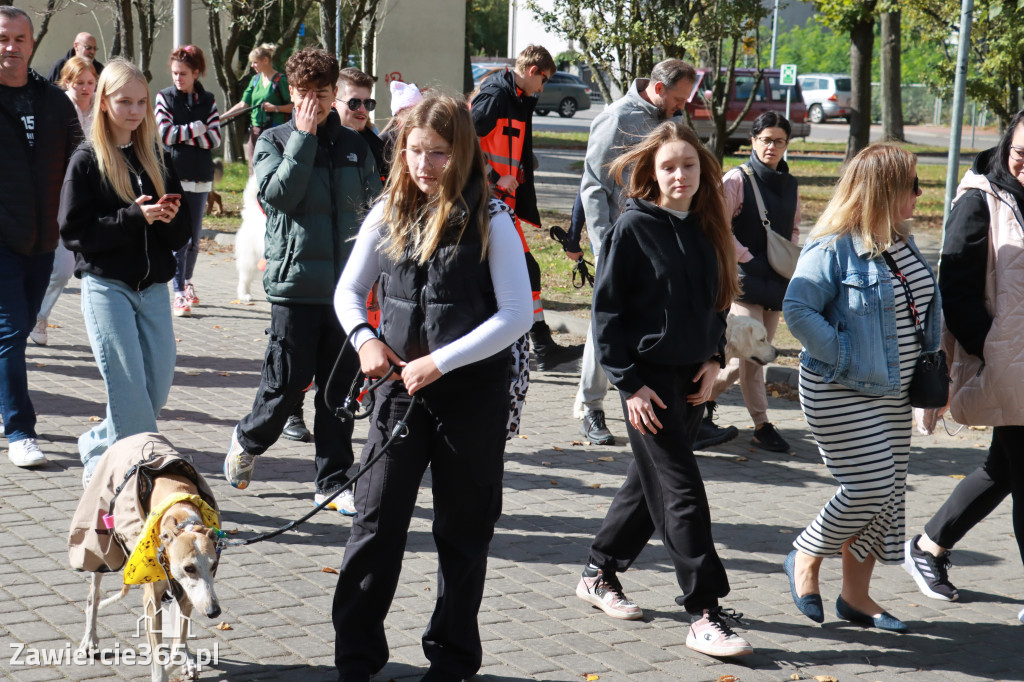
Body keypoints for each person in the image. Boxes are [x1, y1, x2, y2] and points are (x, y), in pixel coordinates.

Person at [332, 94, 532, 682]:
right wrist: (367, 341)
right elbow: (348, 292)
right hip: (396, 394)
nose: (425, 165)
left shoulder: (493, 219)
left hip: (471, 398)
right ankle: (355, 658)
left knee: (463, 532)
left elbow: (517, 314)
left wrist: (441, 362)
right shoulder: (386, 211)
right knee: (374, 523)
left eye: (440, 154)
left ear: (462, 151)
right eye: (416, 151)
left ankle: (451, 659)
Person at [573, 121, 753, 657]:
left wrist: (715, 358)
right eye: (669, 166)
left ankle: (597, 572)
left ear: (704, 171)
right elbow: (606, 316)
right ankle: (703, 612)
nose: (680, 174)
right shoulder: (633, 228)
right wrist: (628, 386)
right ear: (652, 172)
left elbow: (718, 303)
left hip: (692, 381)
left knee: (646, 491)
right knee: (682, 493)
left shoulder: (707, 227)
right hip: (646, 386)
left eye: (689, 165)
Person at [781, 144, 935, 632]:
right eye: (912, 184)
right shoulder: (832, 245)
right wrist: (846, 353)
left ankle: (856, 598)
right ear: (885, 189)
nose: (918, 193)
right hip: (840, 386)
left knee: (887, 494)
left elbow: (925, 314)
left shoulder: (902, 242)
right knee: (869, 485)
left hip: (895, 391)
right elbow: (798, 310)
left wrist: (933, 381)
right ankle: (805, 554)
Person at [223, 48, 381, 517]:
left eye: (323, 93)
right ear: (290, 94)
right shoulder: (274, 140)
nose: (314, 101)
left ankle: (332, 481)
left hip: (347, 292)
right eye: (304, 94)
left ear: (335, 93)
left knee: (338, 393)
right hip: (295, 286)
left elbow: (375, 211)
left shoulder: (356, 146)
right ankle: (248, 439)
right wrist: (304, 137)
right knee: (286, 386)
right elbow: (279, 195)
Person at [903, 111, 1024, 624]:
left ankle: (929, 545)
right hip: (1006, 361)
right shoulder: (979, 199)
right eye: (1023, 156)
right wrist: (989, 350)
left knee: (1005, 466)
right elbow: (954, 288)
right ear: (1006, 146)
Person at [58, 58, 190, 484]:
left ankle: (98, 445)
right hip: (106, 287)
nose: (134, 111)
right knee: (130, 386)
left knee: (156, 386)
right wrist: (133, 218)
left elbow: (182, 232)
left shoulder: (156, 155)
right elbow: (74, 233)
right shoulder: (86, 160)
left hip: (152, 288)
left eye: (140, 102)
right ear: (103, 103)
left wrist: (170, 218)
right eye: (124, 101)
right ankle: (130, 477)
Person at [570, 58, 697, 445]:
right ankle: (590, 407)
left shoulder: (668, 122)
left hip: (660, 238)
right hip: (622, 240)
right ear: (658, 89)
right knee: (607, 322)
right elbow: (593, 186)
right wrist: (604, 242)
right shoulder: (617, 118)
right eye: (677, 99)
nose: (681, 107)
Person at [0, 6, 81, 467]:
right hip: (1, 239)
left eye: (18, 39)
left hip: (43, 238)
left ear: (32, 44)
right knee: (11, 331)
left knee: (22, 327)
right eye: (2, 38)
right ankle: (20, 430)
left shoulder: (54, 101)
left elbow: (78, 162)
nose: (10, 47)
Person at [695, 111, 802, 452]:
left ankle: (698, 401)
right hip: (741, 280)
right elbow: (718, 227)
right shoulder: (736, 180)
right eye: (766, 139)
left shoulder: (790, 184)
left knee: (752, 357)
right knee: (754, 357)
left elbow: (794, 228)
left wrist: (785, 260)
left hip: (775, 278)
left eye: (779, 141)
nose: (772, 147)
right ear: (753, 141)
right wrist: (748, 259)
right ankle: (762, 425)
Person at [472, 44, 582, 372]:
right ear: (533, 71)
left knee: (523, 271)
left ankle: (538, 345)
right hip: (487, 203)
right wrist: (493, 176)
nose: (543, 87)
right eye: (545, 80)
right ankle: (535, 346)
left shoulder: (517, 98)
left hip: (500, 205)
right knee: (518, 271)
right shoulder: (495, 95)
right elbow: (463, 139)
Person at [30, 56, 97, 348]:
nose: (85, 88)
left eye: (90, 83)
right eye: (79, 82)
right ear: (67, 82)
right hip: (47, 199)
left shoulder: (101, 110)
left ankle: (38, 315)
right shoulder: (57, 108)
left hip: (80, 201)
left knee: (64, 267)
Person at [155, 44, 222, 318]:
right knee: (178, 239)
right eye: (174, 73)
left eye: (183, 73)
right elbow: (166, 134)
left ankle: (187, 281)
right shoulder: (165, 98)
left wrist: (187, 134)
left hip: (201, 179)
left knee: (194, 240)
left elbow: (215, 138)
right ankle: (178, 291)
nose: (177, 78)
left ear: (196, 72)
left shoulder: (208, 101)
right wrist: (195, 129)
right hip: (175, 177)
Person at [222, 44, 292, 173]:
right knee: (253, 166)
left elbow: (294, 107)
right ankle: (253, 192)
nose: (252, 66)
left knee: (273, 166)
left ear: (266, 60)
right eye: (252, 63)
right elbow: (243, 105)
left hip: (276, 131)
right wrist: (220, 118)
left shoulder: (280, 80)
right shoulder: (255, 80)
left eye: (255, 62)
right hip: (256, 130)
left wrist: (275, 108)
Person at [333, 67, 386, 179]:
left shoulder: (380, 149)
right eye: (354, 103)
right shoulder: (319, 143)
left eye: (368, 103)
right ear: (334, 103)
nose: (362, 110)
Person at [379, 79, 423, 172]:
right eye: (410, 119)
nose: (417, 122)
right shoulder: (383, 143)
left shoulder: (423, 138)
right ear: (398, 116)